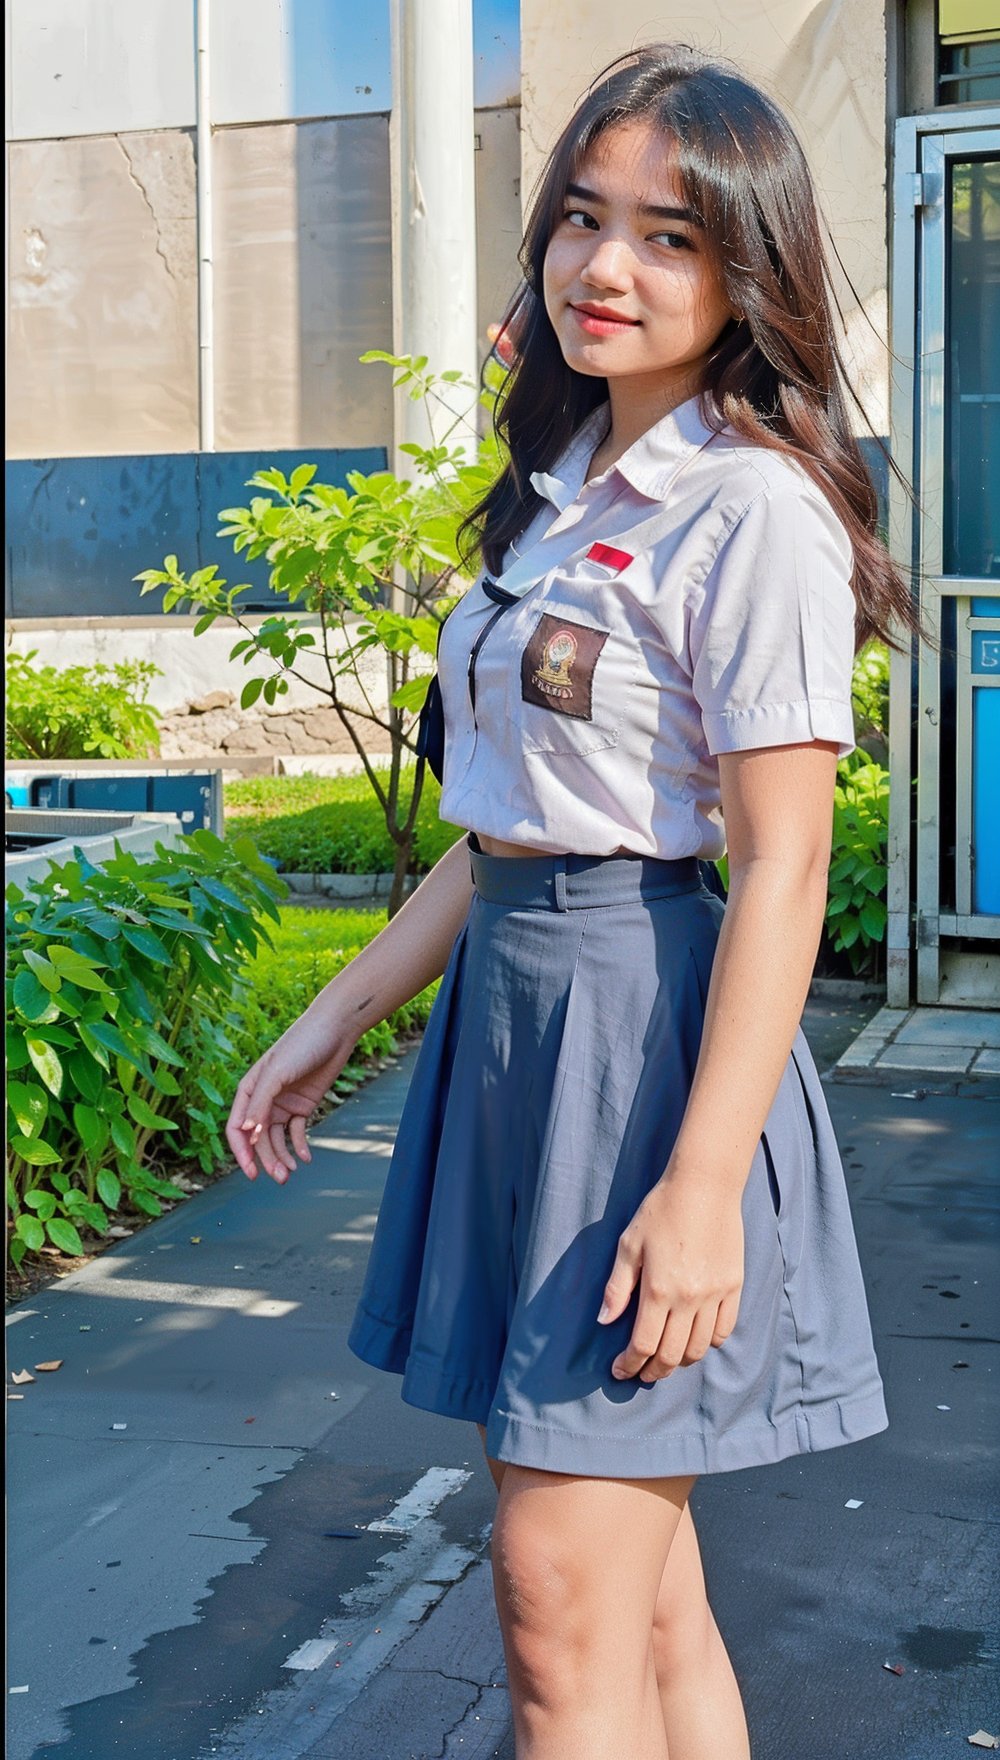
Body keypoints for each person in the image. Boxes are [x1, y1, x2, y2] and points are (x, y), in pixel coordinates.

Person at [226, 44, 925, 1760]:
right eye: (584, 220)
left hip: (642, 1043)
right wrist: (337, 1015)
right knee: (641, 1594)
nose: (605, 269)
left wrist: (698, 1190)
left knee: (558, 1606)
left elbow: (783, 865)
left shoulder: (749, 508)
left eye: (672, 237)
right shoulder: (556, 500)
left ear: (747, 268)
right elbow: (506, 829)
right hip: (517, 1027)